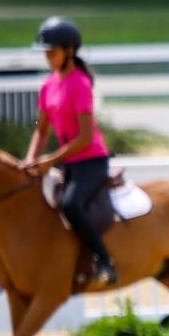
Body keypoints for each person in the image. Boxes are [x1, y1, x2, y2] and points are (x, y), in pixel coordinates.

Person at [21, 16, 117, 289]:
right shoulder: (47, 85)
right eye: (46, 52)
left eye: (52, 52)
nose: (48, 57)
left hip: (90, 161)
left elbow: (85, 137)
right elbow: (41, 130)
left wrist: (50, 160)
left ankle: (105, 261)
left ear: (69, 50)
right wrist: (30, 159)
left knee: (71, 204)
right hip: (67, 163)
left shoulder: (80, 84)